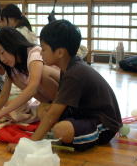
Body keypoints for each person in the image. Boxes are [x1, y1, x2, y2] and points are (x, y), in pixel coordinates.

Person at [7, 20, 122, 152]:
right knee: (43, 108)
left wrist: (29, 144)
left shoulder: (75, 73)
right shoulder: (68, 67)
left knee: (61, 130)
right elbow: (55, 108)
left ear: (60, 53)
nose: (41, 53)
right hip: (84, 113)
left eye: (44, 49)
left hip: (105, 124)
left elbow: (53, 115)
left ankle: (87, 135)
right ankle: (70, 132)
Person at [0, 27, 60, 121]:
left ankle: (60, 108)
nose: (2, 59)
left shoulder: (34, 52)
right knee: (41, 113)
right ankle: (52, 108)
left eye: (2, 53)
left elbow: (33, 87)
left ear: (12, 44)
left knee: (43, 73)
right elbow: (3, 96)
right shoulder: (12, 68)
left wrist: (3, 112)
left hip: (63, 95)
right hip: (48, 101)